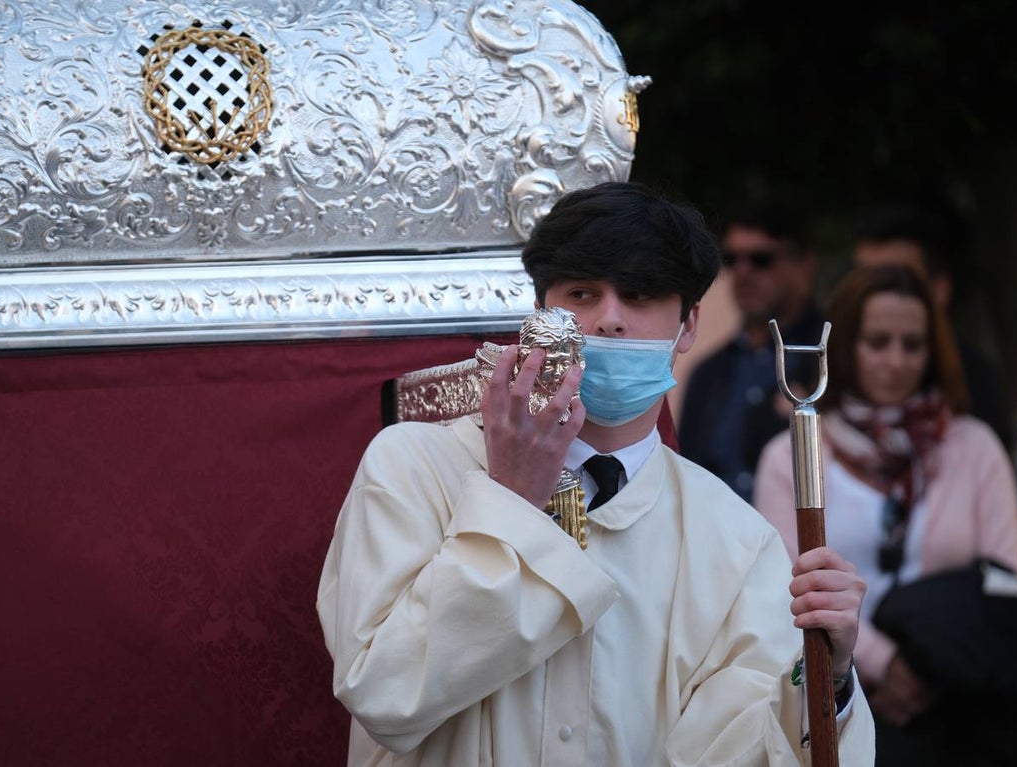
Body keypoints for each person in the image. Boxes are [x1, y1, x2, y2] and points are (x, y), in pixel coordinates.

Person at [316, 182, 875, 765]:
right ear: (538, 314)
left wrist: (826, 679)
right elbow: (386, 694)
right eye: (582, 294)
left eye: (639, 296)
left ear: (688, 326)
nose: (608, 320)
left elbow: (745, 747)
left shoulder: (736, 539)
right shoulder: (412, 466)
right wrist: (511, 502)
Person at [754, 264, 1017, 765]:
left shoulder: (973, 446)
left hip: (959, 704)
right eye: (878, 342)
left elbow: (1006, 577)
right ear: (844, 348)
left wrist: (930, 667)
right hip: (833, 693)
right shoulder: (792, 453)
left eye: (913, 344)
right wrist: (882, 664)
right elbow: (781, 581)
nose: (895, 361)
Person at [679, 204, 822, 501]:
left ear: (804, 264)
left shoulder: (836, 357)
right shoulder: (707, 374)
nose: (743, 272)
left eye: (761, 259)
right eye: (732, 260)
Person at [853, 202, 1014, 448]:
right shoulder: (820, 372)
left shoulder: (974, 393)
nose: (894, 362)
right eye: (865, 280)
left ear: (940, 289)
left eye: (897, 281)